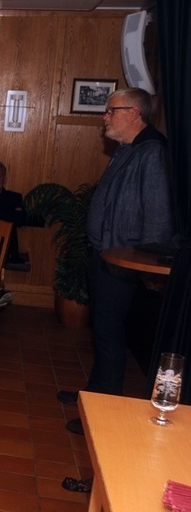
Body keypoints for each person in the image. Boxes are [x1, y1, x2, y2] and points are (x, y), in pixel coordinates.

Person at [57, 87, 174, 435]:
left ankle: (103, 411)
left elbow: (157, 215)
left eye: (111, 111)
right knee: (102, 331)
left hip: (123, 261)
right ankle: (93, 394)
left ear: (134, 113)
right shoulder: (129, 149)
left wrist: (148, 265)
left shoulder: (151, 152)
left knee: (109, 334)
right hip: (107, 255)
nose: (104, 117)